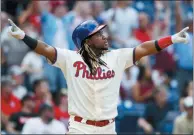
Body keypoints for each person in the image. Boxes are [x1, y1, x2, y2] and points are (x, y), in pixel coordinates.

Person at [8, 18, 189, 134]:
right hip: (80, 128)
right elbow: (46, 49)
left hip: (108, 128)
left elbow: (143, 48)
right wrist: (24, 36)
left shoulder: (117, 57)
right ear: (87, 42)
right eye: (98, 34)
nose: (105, 36)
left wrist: (171, 39)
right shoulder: (70, 58)